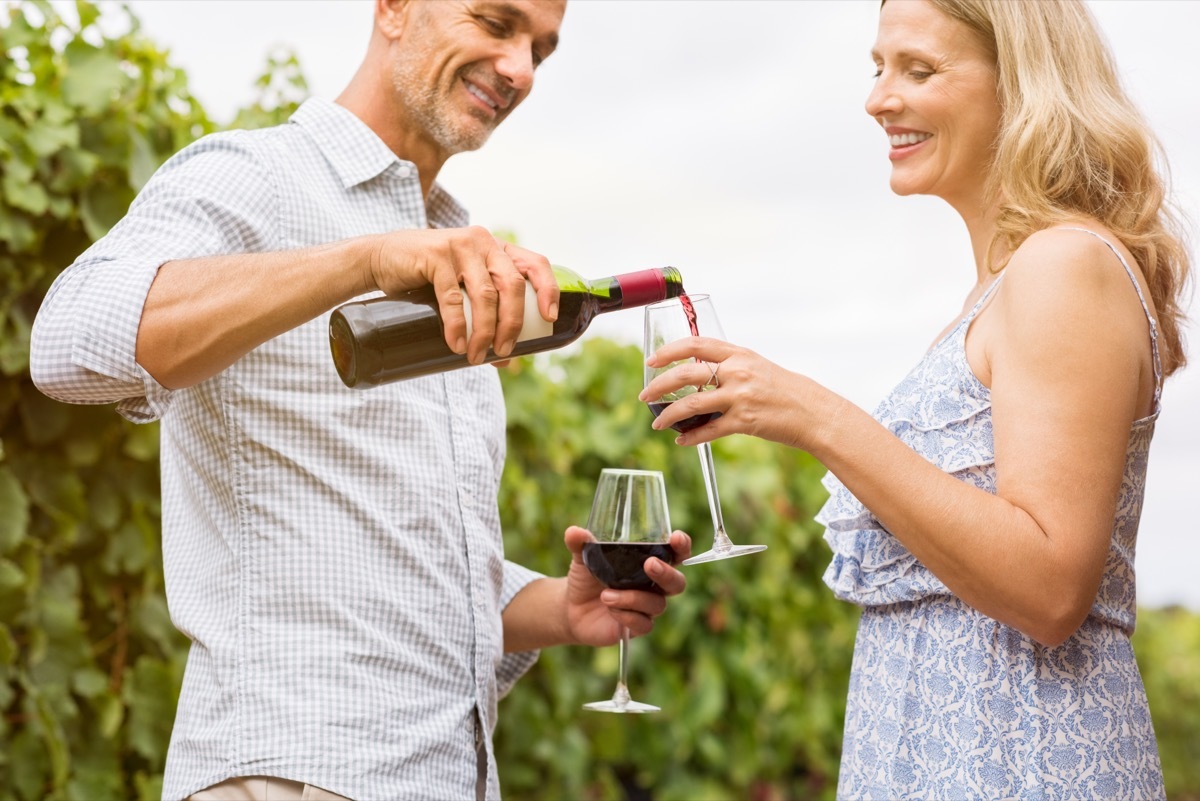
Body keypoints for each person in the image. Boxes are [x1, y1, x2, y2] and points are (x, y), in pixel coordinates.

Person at [30, 2, 691, 800]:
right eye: (494, 21)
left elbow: (397, 564)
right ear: (394, 8)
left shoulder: (454, 247)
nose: (519, 68)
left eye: (540, 51)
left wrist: (559, 607)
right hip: (291, 773)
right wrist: (361, 261)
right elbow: (67, 340)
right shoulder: (256, 176)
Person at [641, 0, 1191, 798]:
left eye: (918, 70)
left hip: (1014, 763)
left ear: (1023, 86)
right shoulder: (995, 294)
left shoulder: (1063, 264)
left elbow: (1049, 586)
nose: (878, 99)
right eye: (878, 67)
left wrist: (818, 419)